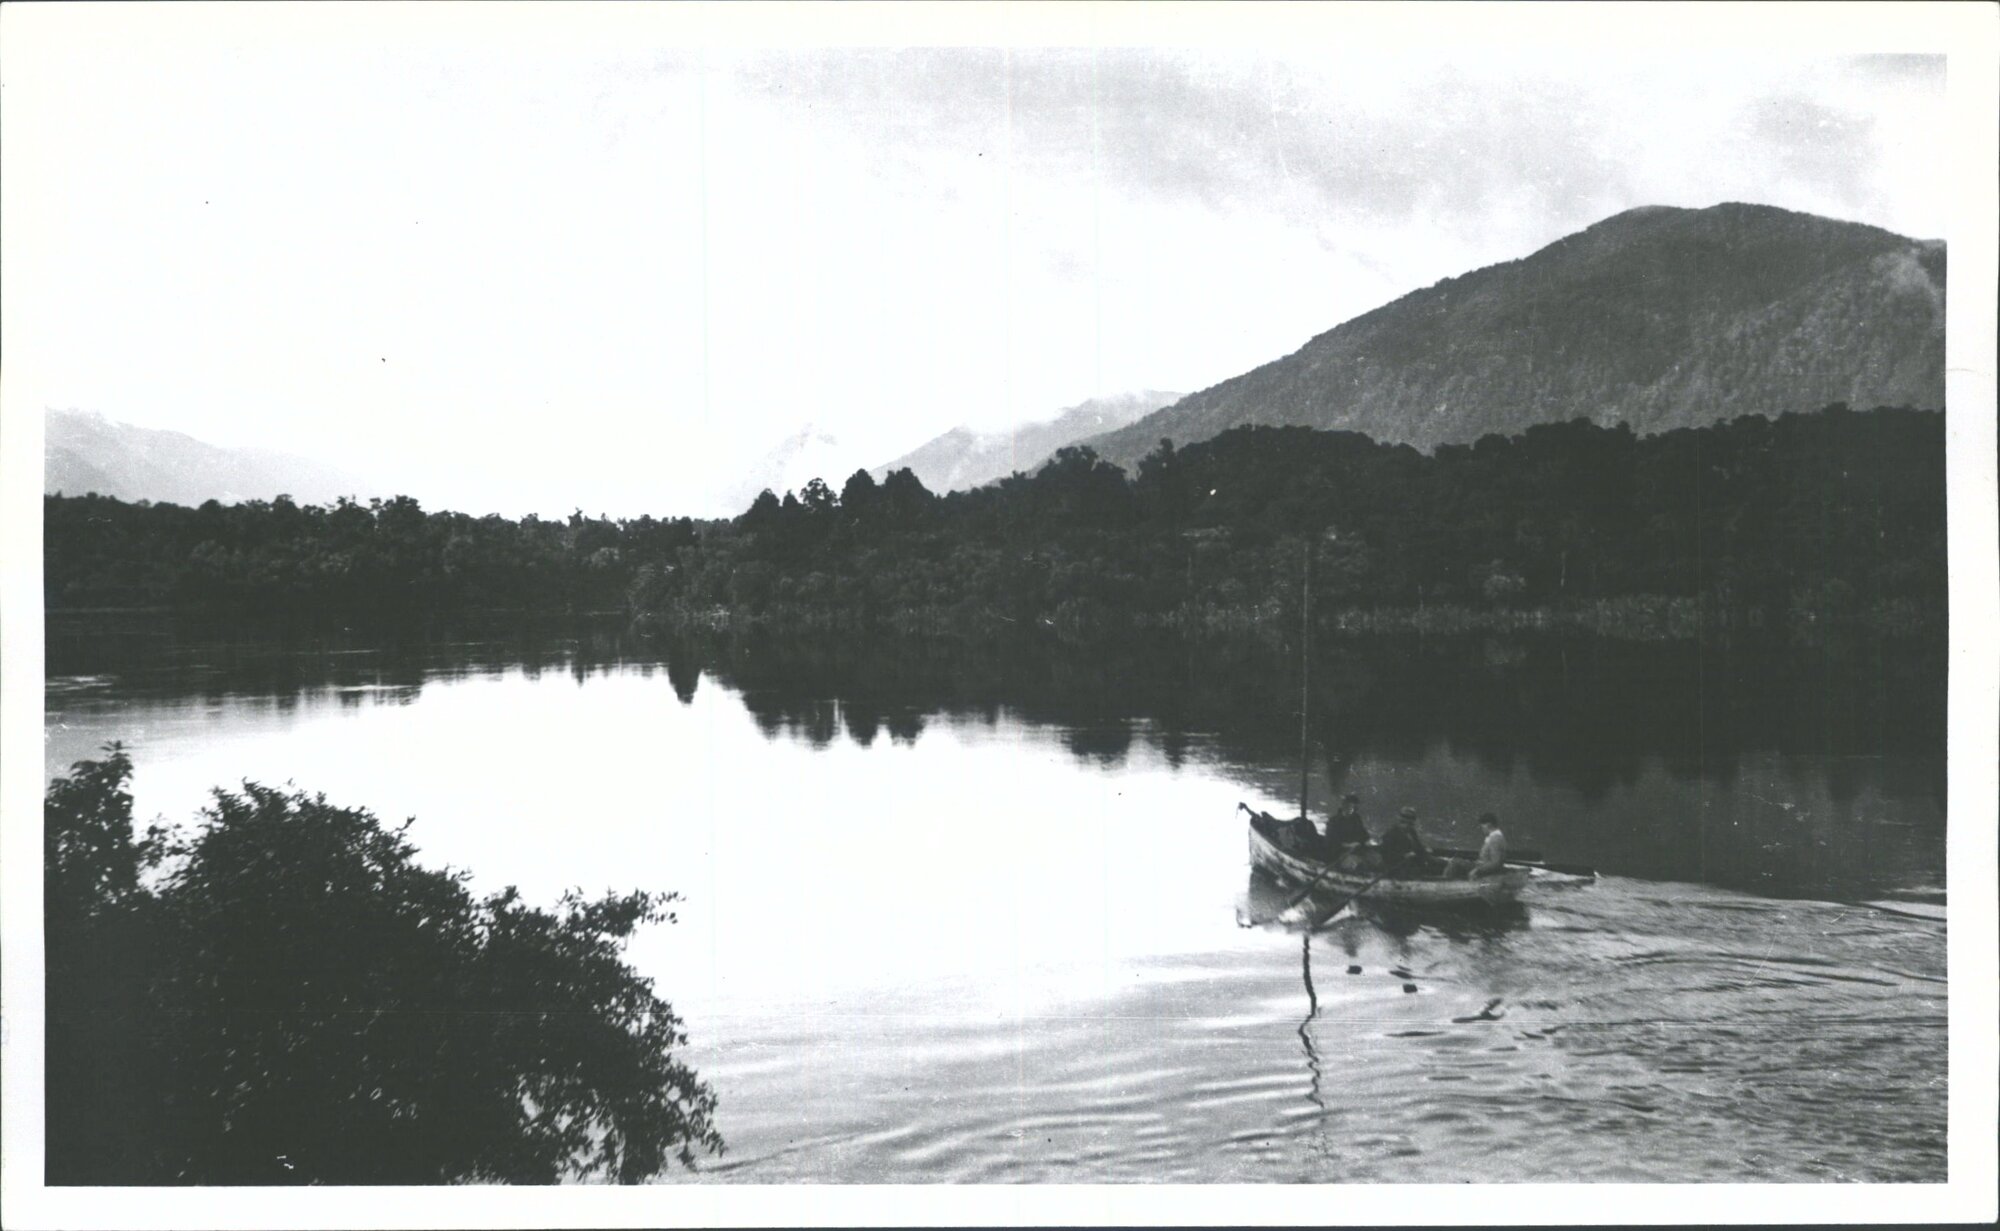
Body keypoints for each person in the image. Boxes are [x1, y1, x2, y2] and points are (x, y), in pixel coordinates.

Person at [1377, 806, 1431, 872]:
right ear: (1400, 820)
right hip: (1396, 866)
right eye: (1404, 822)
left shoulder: (1411, 832)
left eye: (1410, 822)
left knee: (1439, 863)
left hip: (1411, 863)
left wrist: (1425, 852)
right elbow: (1386, 855)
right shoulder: (1391, 834)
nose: (1407, 825)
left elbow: (1419, 848)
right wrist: (1404, 856)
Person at [1323, 793, 1369, 862]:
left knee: (1376, 858)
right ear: (1344, 806)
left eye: (1355, 808)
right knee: (1353, 862)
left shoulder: (1356, 819)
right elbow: (1330, 841)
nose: (1353, 810)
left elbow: (1365, 835)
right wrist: (1347, 845)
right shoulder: (1334, 821)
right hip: (1338, 853)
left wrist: (1358, 842)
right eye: (1350, 807)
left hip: (1355, 850)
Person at [1468, 812, 1508, 879]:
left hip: (1485, 870)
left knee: (1456, 863)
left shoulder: (1496, 839)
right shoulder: (1493, 837)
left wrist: (1477, 870)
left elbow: (1495, 863)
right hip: (1482, 866)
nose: (1482, 829)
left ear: (1488, 825)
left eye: (1482, 827)